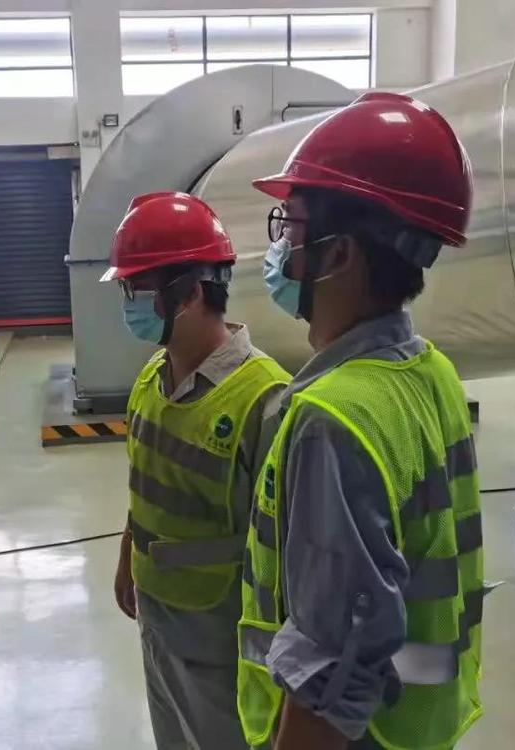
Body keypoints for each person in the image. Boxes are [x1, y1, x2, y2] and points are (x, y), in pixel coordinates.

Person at [239, 92, 484, 750]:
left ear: (341, 254)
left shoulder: (334, 419)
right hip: (416, 725)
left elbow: (330, 664)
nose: (280, 248)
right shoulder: (432, 372)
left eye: (291, 226)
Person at [104, 191, 290, 750]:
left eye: (137, 289)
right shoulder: (151, 379)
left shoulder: (265, 400)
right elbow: (145, 484)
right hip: (158, 615)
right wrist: (128, 559)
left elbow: (287, 552)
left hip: (220, 636)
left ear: (189, 293)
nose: (128, 304)